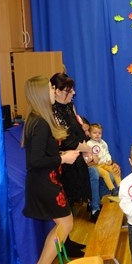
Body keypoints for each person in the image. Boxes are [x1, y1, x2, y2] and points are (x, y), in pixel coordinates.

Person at [23, 76, 80, 264]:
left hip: (48, 181)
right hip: (44, 183)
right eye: (50, 88)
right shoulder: (39, 123)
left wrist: (61, 155)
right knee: (65, 224)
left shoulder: (39, 119)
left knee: (64, 224)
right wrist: (62, 159)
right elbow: (35, 161)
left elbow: (42, 155)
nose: (53, 91)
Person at [49, 73, 101, 221]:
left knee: (101, 171)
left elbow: (79, 131)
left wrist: (87, 150)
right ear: (57, 91)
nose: (73, 93)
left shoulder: (70, 106)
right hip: (64, 159)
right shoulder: (53, 112)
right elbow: (66, 141)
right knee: (91, 172)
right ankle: (89, 208)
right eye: (69, 90)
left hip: (78, 152)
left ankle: (94, 206)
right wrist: (87, 150)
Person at [86, 122, 122, 195]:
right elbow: (87, 156)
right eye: (94, 133)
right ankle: (112, 189)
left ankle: (120, 187)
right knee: (105, 174)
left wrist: (109, 159)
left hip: (105, 164)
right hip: (96, 165)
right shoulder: (89, 144)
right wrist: (92, 158)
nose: (97, 135)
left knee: (115, 170)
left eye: (99, 133)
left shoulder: (103, 143)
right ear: (89, 134)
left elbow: (107, 152)